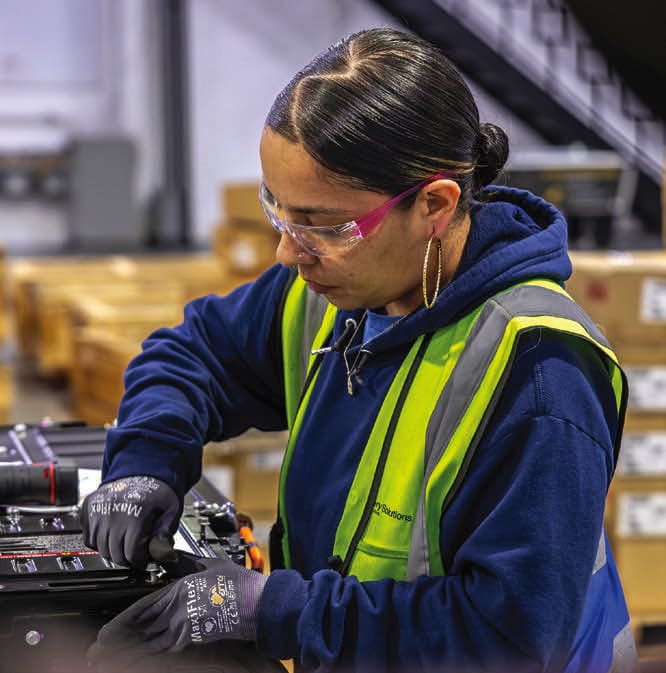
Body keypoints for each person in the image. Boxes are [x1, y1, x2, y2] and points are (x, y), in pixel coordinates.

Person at [81, 27, 638, 673]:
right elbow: (192, 352)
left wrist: (276, 612)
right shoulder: (334, 293)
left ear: (434, 205)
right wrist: (146, 460)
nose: (289, 252)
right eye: (279, 213)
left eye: (324, 225)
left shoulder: (538, 373)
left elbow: (509, 637)